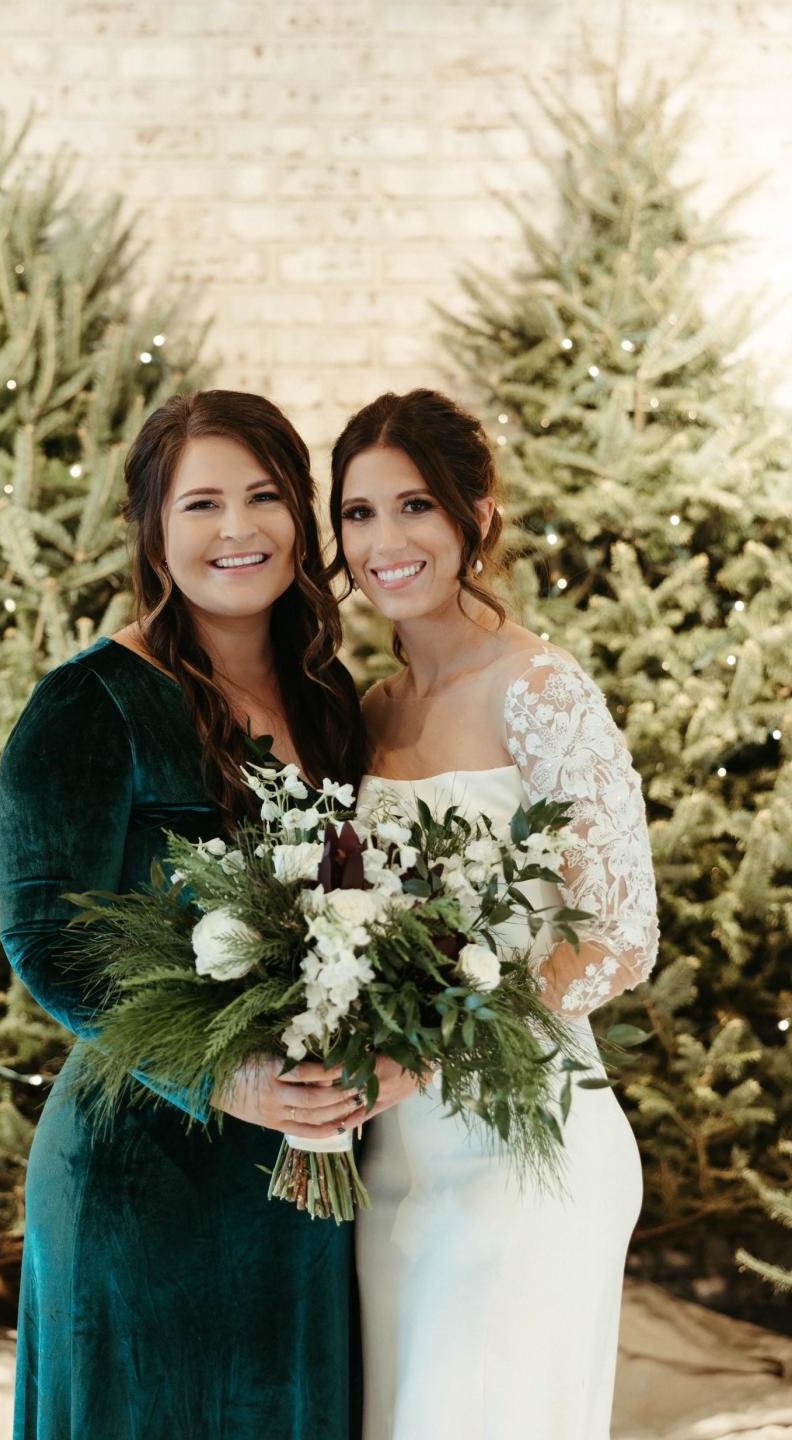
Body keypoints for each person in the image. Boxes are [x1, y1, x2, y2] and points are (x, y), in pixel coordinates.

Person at [0, 390, 369, 1440]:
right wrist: (227, 1079)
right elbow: (44, 939)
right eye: (201, 503)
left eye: (264, 496)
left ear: (300, 513)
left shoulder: (329, 698)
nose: (238, 529)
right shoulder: (90, 702)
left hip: (304, 1193)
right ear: (155, 532)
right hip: (144, 1184)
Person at [328, 388, 660, 1440]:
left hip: (529, 1152)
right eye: (357, 513)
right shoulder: (367, 713)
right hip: (394, 1168)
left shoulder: (543, 691)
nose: (385, 541)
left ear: (475, 513)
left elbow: (621, 934)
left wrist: (437, 1043)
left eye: (413, 505)